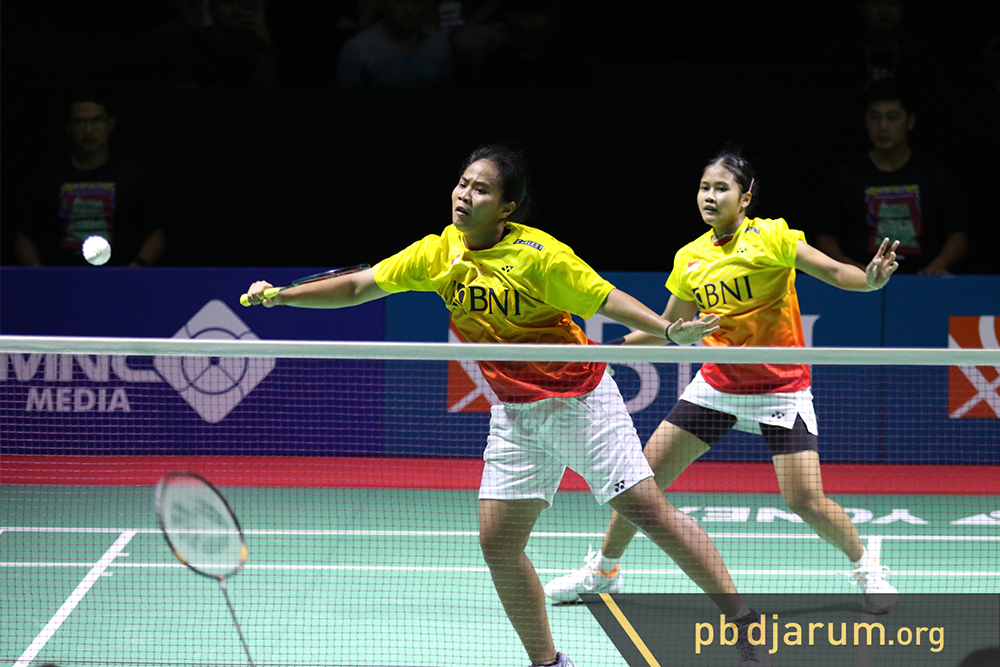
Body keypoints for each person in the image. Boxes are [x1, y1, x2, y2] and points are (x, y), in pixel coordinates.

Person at [245, 144, 779, 667]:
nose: (464, 195)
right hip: (515, 413)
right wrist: (284, 295)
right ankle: (548, 662)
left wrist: (666, 330)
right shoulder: (437, 253)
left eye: (481, 189)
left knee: (649, 513)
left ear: (506, 208)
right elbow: (359, 286)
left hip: (579, 402)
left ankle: (742, 618)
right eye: (462, 183)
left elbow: (605, 298)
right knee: (498, 542)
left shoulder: (539, 257)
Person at [543, 146, 902, 617]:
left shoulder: (773, 238)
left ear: (745, 197)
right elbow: (668, 327)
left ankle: (866, 567)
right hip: (717, 387)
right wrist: (609, 351)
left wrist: (870, 280)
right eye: (704, 188)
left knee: (805, 499)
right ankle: (604, 571)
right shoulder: (690, 258)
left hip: (780, 390)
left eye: (721, 188)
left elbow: (835, 272)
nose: (709, 197)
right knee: (640, 483)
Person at [816, 81, 967, 274]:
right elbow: (825, 236)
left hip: (922, 278)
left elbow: (957, 234)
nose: (883, 126)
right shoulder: (845, 177)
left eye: (892, 117)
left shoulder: (934, 174)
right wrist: (847, 266)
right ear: (865, 122)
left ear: (910, 121)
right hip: (862, 279)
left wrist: (939, 264)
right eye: (874, 117)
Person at [13, 87, 168, 267]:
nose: (88, 130)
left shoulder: (135, 176)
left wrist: (137, 267)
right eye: (79, 122)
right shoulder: (46, 177)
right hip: (60, 276)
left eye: (97, 121)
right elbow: (23, 236)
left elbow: (156, 233)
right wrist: (38, 273)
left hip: (119, 276)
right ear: (68, 126)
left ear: (110, 124)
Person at [813, 0, 949, 94]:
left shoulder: (922, 53)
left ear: (903, 8)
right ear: (862, 9)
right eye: (875, 2)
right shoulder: (839, 52)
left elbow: (938, 100)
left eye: (892, 3)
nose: (884, 10)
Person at [336, 0, 454, 89]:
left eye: (416, 2)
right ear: (384, 6)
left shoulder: (438, 42)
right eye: (400, 2)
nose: (409, 9)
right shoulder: (358, 48)